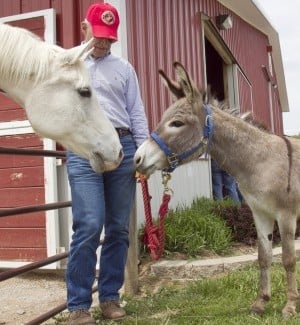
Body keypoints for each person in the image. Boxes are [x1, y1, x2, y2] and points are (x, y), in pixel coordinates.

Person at [65, 2, 149, 324]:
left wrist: (141, 155)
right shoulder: (69, 64)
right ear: (85, 28)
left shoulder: (124, 69)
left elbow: (136, 112)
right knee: (89, 224)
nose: (103, 43)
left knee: (118, 227)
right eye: (98, 35)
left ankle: (110, 297)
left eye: (108, 38)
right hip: (84, 148)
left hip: (123, 146)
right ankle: (78, 304)